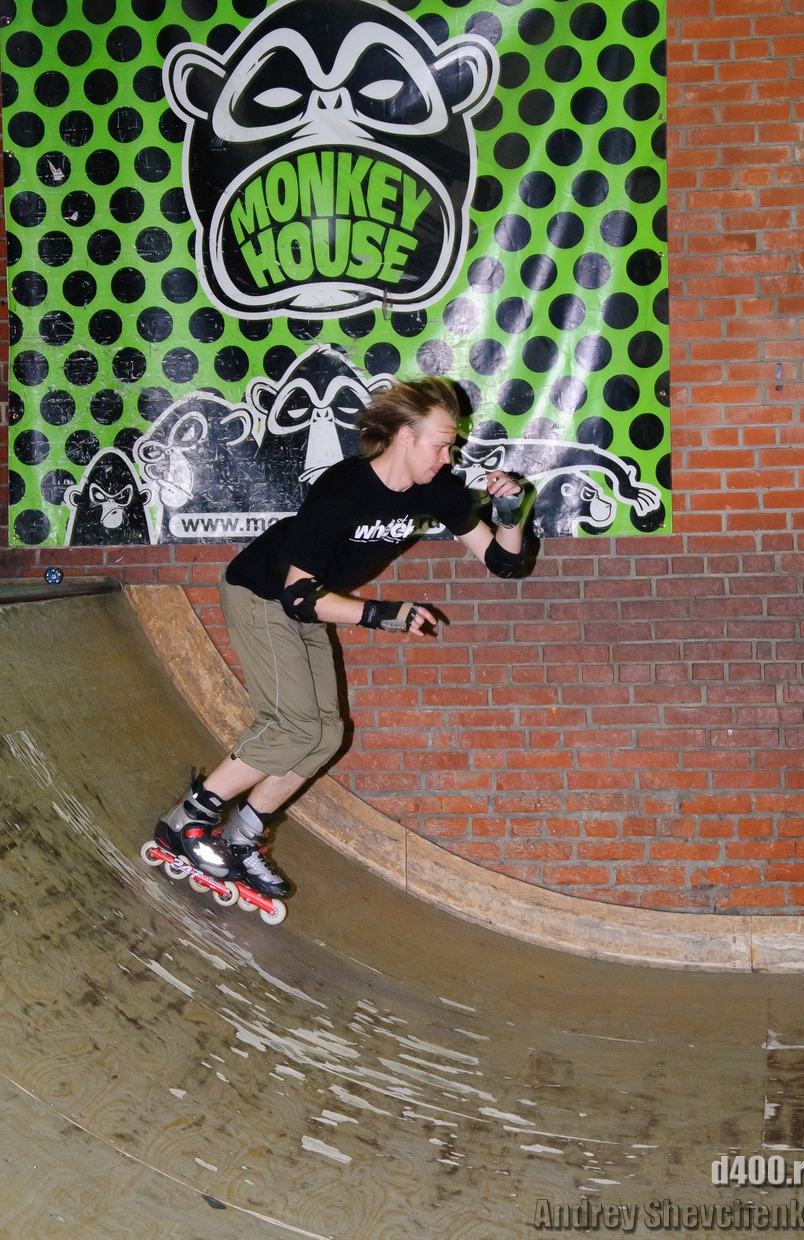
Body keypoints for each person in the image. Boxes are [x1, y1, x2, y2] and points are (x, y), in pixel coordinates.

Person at [155, 377, 531, 899]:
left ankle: (242, 836)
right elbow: (297, 596)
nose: (449, 457)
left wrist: (510, 512)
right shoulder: (342, 487)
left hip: (311, 605)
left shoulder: (438, 489)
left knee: (325, 735)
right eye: (442, 445)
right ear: (405, 436)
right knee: (292, 727)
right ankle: (186, 821)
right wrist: (384, 614)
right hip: (262, 592)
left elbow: (504, 563)